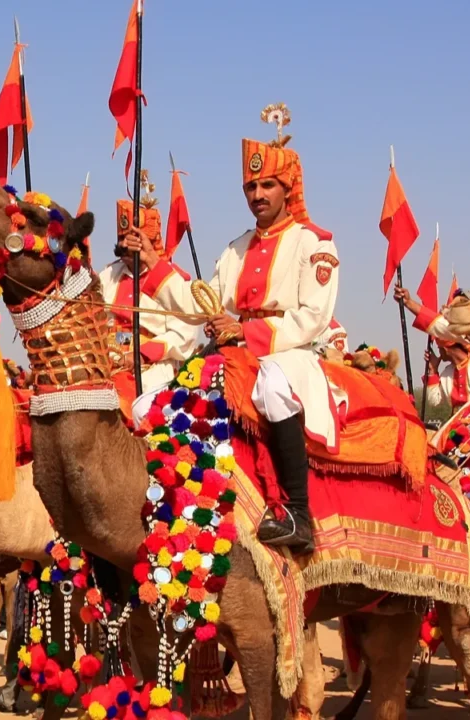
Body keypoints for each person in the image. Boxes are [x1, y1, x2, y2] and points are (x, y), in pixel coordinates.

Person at [130, 104, 339, 554]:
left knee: (274, 388)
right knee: (158, 398)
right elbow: (199, 303)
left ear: (287, 188)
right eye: (250, 186)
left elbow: (314, 316)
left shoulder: (314, 242)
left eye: (266, 185)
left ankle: (298, 514)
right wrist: (153, 264)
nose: (257, 194)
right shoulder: (237, 248)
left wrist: (247, 333)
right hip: (236, 350)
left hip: (290, 352)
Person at [98, 195, 200, 391]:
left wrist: (139, 354)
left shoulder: (174, 280)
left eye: (132, 240)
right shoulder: (107, 275)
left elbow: (182, 335)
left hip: (152, 367)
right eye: (121, 239)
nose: (125, 246)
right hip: (108, 360)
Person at [392, 287, 470, 411]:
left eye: (439, 348)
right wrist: (432, 370)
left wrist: (409, 303)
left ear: (446, 349)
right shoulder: (447, 373)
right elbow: (434, 401)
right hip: (457, 423)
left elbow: (441, 326)